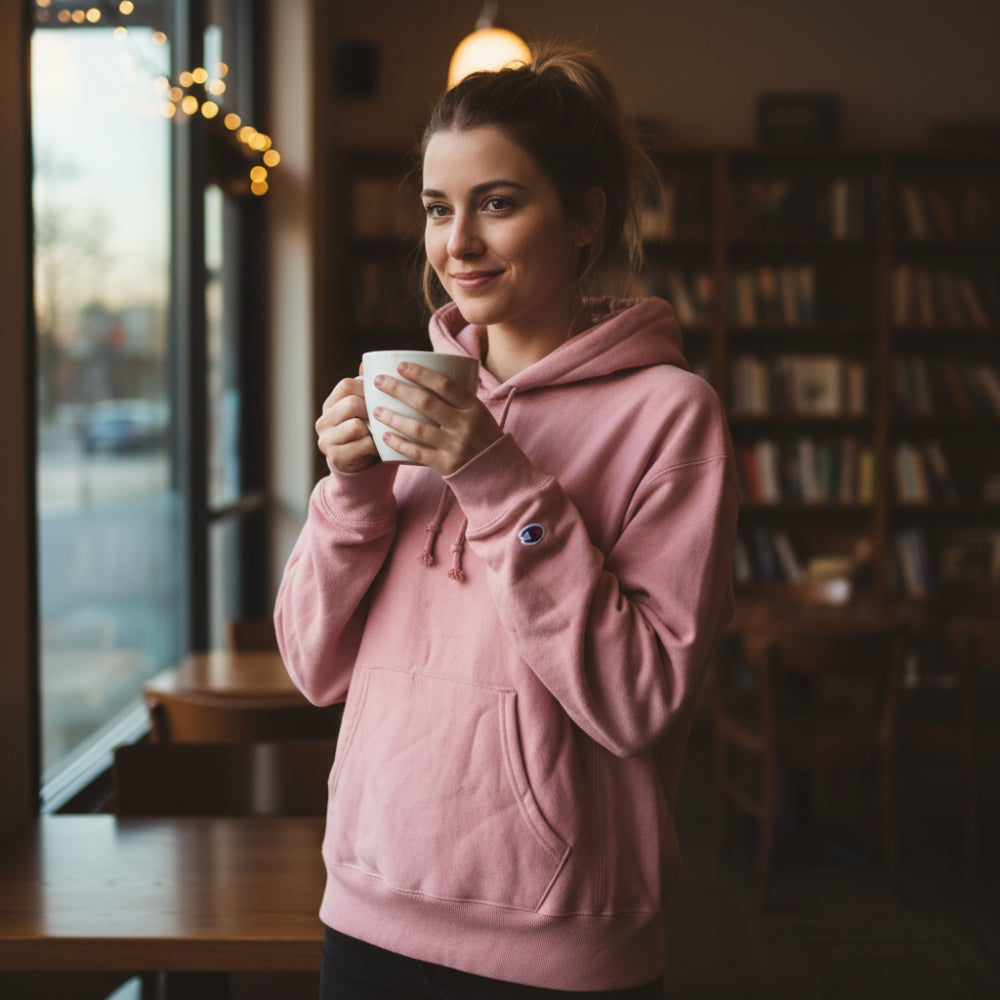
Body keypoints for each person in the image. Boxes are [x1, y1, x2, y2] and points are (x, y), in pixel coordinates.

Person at [275, 42, 739, 999]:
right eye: (439, 210)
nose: (458, 244)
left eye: (497, 202)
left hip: (557, 939)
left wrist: (495, 476)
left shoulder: (668, 414)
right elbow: (312, 667)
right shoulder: (415, 392)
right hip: (364, 908)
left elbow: (639, 699)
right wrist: (349, 492)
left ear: (584, 218)